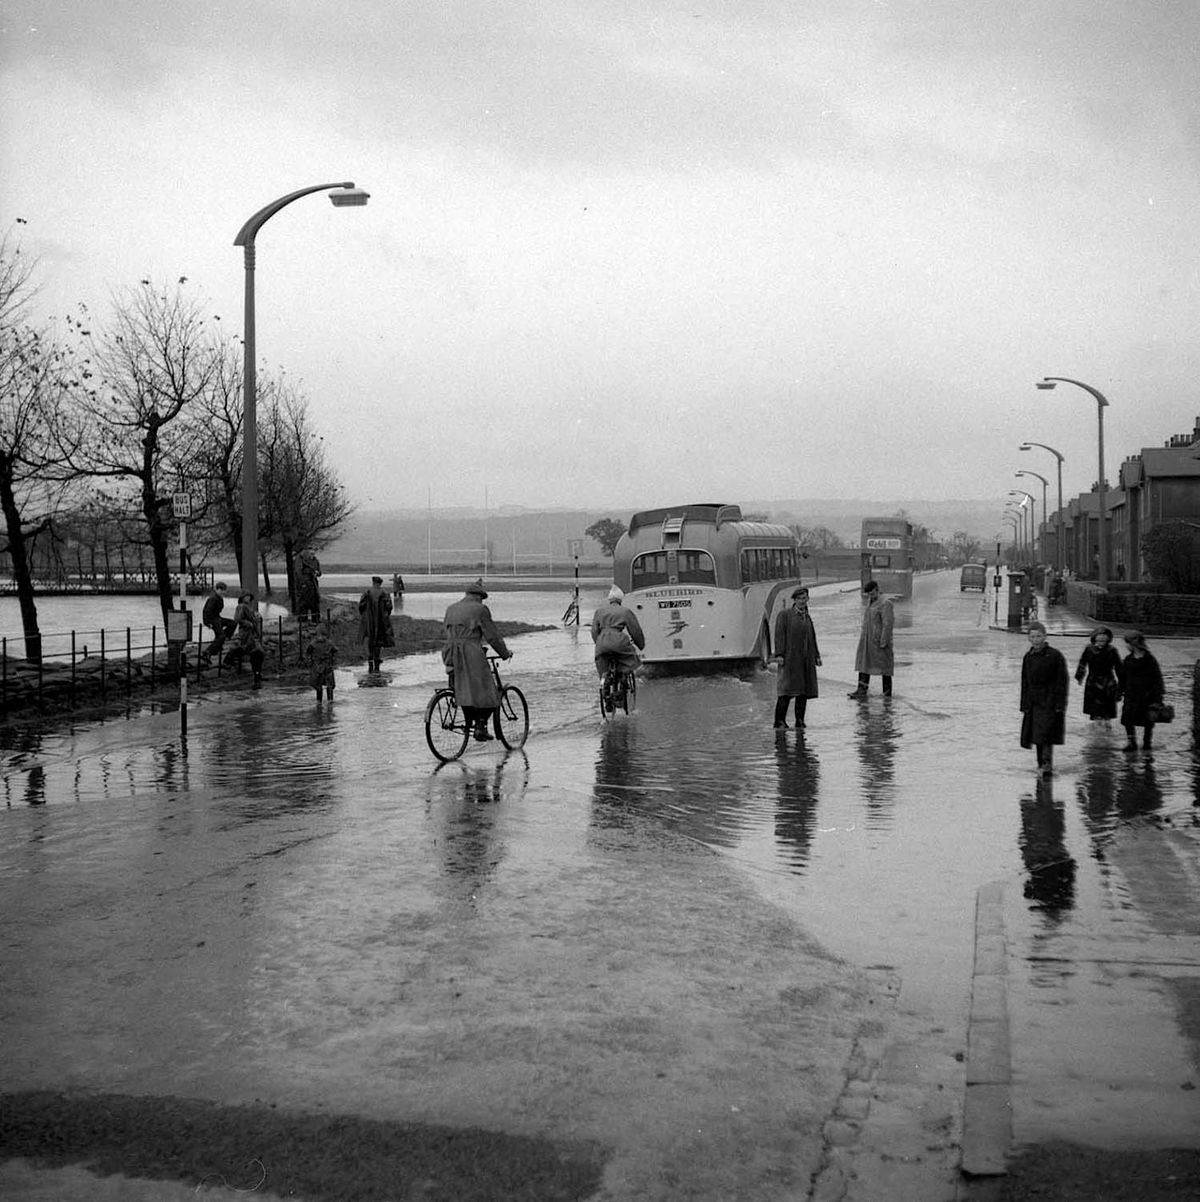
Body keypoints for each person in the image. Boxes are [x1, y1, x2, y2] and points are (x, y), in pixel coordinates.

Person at [442, 579, 511, 741]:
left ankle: (469, 721)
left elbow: (445, 631)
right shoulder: (480, 609)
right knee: (489, 692)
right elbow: (492, 637)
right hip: (471, 651)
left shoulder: (451, 609)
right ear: (479, 597)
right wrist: (505, 653)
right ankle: (480, 726)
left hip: (450, 651)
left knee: (462, 688)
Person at [1020, 620, 1068, 777]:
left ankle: (1047, 765)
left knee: (1046, 733)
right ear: (1028, 638)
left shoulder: (1054, 655)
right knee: (1036, 735)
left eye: (1039, 636)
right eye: (1032, 637)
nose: (1036, 640)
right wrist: (1024, 703)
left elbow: (1062, 680)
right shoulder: (1028, 657)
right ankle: (1041, 764)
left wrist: (1060, 703)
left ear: (1045, 636)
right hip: (1034, 701)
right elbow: (1025, 681)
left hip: (1050, 699)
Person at [770, 585, 821, 729]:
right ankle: (779, 721)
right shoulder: (784, 615)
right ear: (794, 600)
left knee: (802, 691)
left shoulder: (807, 616)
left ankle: (799, 720)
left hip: (805, 660)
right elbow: (779, 636)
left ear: (808, 599)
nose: (802, 601)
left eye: (804, 598)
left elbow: (812, 637)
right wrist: (779, 654)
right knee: (786, 691)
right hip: (790, 659)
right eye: (799, 598)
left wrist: (816, 655)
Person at [590, 586, 645, 708]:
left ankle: (605, 683)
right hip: (619, 640)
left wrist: (598, 643)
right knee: (630, 658)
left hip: (602, 642)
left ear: (609, 599)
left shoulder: (599, 611)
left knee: (602, 662)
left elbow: (594, 630)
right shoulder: (625, 611)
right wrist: (640, 645)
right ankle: (623, 682)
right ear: (621, 600)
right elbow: (635, 631)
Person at [1119, 631, 1165, 753]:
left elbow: (1157, 678)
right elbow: (1123, 678)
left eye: (1127, 643)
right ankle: (1131, 742)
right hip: (1131, 695)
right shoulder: (1128, 659)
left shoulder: (1149, 659)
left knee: (1148, 720)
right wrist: (1119, 692)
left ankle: (1147, 743)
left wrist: (1158, 697)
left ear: (1133, 644)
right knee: (1127, 719)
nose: (1126, 646)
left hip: (1147, 695)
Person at [848, 580, 894, 698]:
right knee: (864, 664)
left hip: (879, 641)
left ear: (877, 590)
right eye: (868, 594)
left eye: (872, 593)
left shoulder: (885, 603)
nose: (870, 596)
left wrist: (884, 641)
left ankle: (887, 693)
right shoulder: (870, 602)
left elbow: (887, 624)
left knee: (885, 667)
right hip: (867, 640)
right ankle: (861, 690)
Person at [1074, 626, 1122, 723]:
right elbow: (1083, 662)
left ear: (1108, 640)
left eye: (1103, 641)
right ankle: (1096, 726)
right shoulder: (1089, 649)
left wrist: (1122, 684)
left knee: (1107, 708)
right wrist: (1080, 675)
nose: (1100, 644)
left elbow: (1119, 667)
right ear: (1094, 639)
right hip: (1093, 680)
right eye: (1098, 641)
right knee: (1094, 708)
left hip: (1108, 680)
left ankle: (1106, 724)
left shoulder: (1112, 650)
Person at [227, 589, 265, 688]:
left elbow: (253, 620)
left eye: (249, 596)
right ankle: (257, 679)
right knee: (256, 653)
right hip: (247, 635)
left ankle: (257, 678)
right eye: (246, 596)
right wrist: (248, 623)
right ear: (242, 597)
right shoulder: (241, 607)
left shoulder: (249, 607)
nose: (248, 598)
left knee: (256, 654)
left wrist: (255, 620)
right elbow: (237, 619)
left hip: (252, 635)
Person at [358, 575, 394, 672]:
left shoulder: (367, 592)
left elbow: (361, 605)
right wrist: (386, 616)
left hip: (369, 619)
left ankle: (370, 656)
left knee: (370, 637)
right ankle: (377, 658)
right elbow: (389, 607)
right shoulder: (385, 593)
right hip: (381, 620)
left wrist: (364, 615)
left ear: (373, 583)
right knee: (379, 638)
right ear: (380, 583)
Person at [199, 581, 233, 665]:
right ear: (217, 589)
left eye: (224, 590)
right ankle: (208, 652)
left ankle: (220, 641)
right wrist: (207, 622)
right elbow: (207, 611)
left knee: (232, 623)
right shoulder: (213, 598)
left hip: (217, 618)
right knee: (221, 636)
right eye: (222, 590)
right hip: (212, 619)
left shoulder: (218, 598)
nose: (223, 592)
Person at [305, 623, 337, 702]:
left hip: (323, 667)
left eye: (322, 635)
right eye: (319, 635)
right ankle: (323, 703)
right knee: (322, 686)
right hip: (321, 667)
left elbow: (335, 652)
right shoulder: (316, 644)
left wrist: (333, 661)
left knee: (325, 686)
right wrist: (310, 662)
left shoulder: (327, 643)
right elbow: (308, 653)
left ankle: (325, 703)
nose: (321, 638)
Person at [296, 550, 322, 623]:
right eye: (311, 553)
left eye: (313, 553)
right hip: (305, 584)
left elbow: (319, 572)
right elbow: (299, 573)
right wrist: (302, 583)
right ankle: (303, 620)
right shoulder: (301, 560)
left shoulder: (316, 561)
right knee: (304, 602)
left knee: (315, 601)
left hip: (313, 584)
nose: (312, 555)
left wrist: (317, 573)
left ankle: (316, 618)